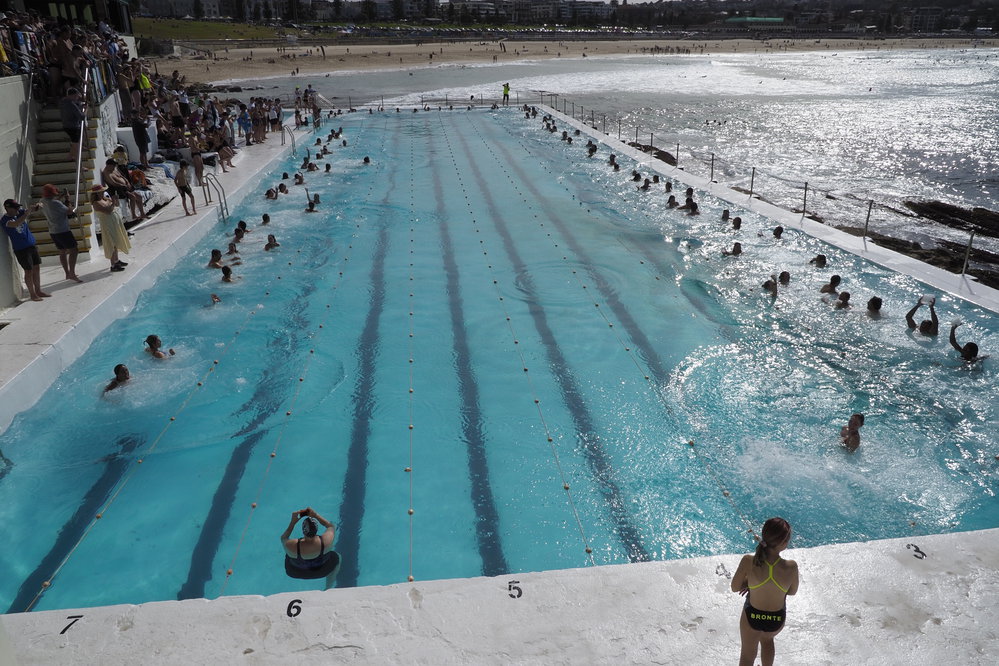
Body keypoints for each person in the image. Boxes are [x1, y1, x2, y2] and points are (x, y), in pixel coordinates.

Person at [731, 517, 799, 666]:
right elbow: (792, 591)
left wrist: (751, 584)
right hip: (776, 620)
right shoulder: (791, 567)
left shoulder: (748, 561)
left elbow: (735, 587)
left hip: (752, 616)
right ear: (784, 543)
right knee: (768, 641)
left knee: (747, 656)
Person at [3, 199, 51, 300]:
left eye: (18, 207)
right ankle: (32, 294)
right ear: (8, 208)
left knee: (36, 268)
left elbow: (35, 208)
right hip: (21, 250)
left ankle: (38, 290)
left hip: (31, 246)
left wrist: (38, 205)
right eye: (15, 207)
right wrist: (27, 213)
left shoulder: (20, 212)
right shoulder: (5, 220)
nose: (18, 209)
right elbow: (16, 224)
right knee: (28, 271)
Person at [37, 184, 83, 283]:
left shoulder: (42, 201)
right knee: (74, 250)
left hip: (53, 231)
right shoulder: (56, 203)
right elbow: (70, 211)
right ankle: (72, 273)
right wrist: (68, 200)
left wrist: (61, 196)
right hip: (63, 230)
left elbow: (52, 201)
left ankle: (67, 273)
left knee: (62, 251)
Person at [282, 507, 340, 580]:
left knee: (288, 554)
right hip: (322, 571)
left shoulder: (292, 545)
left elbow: (284, 538)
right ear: (316, 530)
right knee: (337, 556)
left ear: (303, 531)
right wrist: (316, 515)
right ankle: (329, 585)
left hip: (296, 572)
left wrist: (293, 522)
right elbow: (330, 526)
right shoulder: (326, 541)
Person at [90, 185, 130, 272]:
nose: (102, 192)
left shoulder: (105, 199)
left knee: (115, 241)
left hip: (113, 222)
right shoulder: (96, 203)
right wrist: (112, 202)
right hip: (107, 223)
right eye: (101, 191)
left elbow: (116, 205)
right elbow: (108, 211)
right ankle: (113, 264)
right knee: (111, 242)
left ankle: (116, 260)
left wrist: (115, 200)